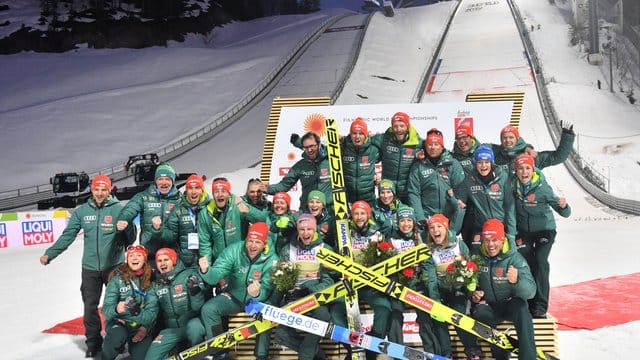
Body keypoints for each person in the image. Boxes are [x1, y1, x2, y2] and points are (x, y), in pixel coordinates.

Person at [39, 175, 137, 358]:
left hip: (115, 267)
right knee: (90, 306)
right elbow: (68, 235)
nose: (100, 193)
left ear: (109, 191)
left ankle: (120, 340)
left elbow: (130, 239)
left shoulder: (119, 209)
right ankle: (93, 343)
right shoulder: (82, 211)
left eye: (104, 190)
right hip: (90, 268)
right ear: (92, 190)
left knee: (120, 304)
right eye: (96, 189)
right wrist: (50, 254)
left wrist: (128, 226)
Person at [198, 222, 276, 360]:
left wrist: (257, 294)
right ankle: (219, 351)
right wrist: (206, 271)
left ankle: (261, 356)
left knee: (266, 315)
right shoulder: (234, 250)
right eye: (250, 241)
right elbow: (217, 273)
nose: (252, 246)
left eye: (257, 242)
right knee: (209, 309)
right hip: (234, 298)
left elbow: (268, 288)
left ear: (264, 244)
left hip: (257, 303)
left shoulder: (272, 259)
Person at [512, 154, 571, 318]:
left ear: (533, 169)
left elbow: (565, 212)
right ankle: (528, 300)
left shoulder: (543, 188)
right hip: (524, 231)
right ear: (516, 171)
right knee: (524, 260)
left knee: (540, 261)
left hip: (545, 230)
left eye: (527, 168)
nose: (524, 172)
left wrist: (564, 206)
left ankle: (540, 305)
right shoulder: (512, 186)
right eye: (520, 168)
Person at [470, 219, 537, 360]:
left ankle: (528, 357)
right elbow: (471, 284)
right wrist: (474, 294)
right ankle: (500, 355)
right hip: (490, 305)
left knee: (522, 307)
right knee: (479, 312)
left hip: (510, 304)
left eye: (495, 240)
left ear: (502, 239)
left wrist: (517, 281)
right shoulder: (477, 257)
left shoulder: (515, 258)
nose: (490, 245)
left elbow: (531, 292)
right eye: (487, 240)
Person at [273, 214, 336, 360]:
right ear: (298, 230)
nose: (306, 233)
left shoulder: (325, 249)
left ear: (315, 230)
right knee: (281, 334)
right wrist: (272, 302)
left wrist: (312, 287)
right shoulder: (288, 249)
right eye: (302, 229)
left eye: (309, 229)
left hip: (315, 296)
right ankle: (318, 354)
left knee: (323, 316)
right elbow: (280, 280)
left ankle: (306, 355)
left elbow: (329, 281)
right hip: (293, 296)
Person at [422, 214, 480, 360]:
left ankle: (472, 350)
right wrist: (435, 300)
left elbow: (472, 266)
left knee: (459, 314)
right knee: (438, 315)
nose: (435, 230)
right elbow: (430, 277)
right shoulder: (428, 249)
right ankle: (446, 353)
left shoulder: (458, 244)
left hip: (458, 288)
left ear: (446, 228)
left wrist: (471, 286)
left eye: (439, 226)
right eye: (432, 228)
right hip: (440, 289)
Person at [144, 248, 206, 359]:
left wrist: (195, 291)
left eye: (166, 259)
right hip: (171, 330)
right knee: (151, 357)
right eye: (159, 261)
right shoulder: (155, 285)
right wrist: (137, 313)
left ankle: (200, 356)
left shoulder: (189, 275)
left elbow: (198, 308)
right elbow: (150, 313)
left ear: (173, 261)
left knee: (195, 328)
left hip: (191, 323)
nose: (162, 263)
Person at [455, 145, 515, 254]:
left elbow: (510, 207)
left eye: (486, 162)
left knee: (505, 253)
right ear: (475, 163)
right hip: (481, 226)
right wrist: (455, 198)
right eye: (479, 162)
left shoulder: (503, 177)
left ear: (492, 163)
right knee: (475, 251)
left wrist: (511, 233)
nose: (483, 166)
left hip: (501, 225)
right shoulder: (469, 180)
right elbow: (459, 200)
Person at [349, 201, 391, 360]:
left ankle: (370, 346)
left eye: (363, 213)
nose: (359, 217)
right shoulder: (345, 233)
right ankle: (352, 349)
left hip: (369, 283)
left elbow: (388, 228)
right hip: (350, 283)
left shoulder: (376, 233)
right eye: (356, 213)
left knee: (384, 307)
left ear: (368, 215)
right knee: (338, 311)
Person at [117, 163, 182, 263]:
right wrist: (123, 219)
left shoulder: (179, 199)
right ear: (156, 181)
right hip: (150, 253)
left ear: (172, 181)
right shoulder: (144, 197)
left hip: (172, 254)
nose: (164, 182)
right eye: (160, 179)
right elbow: (130, 209)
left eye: (167, 179)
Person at [102, 245, 158, 360]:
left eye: (139, 255)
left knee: (143, 356)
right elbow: (106, 311)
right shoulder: (117, 280)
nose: (134, 258)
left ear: (145, 259)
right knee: (117, 334)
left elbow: (152, 313)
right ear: (127, 259)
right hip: (120, 322)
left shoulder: (151, 281)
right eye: (131, 256)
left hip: (139, 325)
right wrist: (116, 309)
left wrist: (145, 328)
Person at [408, 128, 465, 234]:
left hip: (449, 219)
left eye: (436, 144)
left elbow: (461, 191)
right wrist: (420, 218)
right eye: (430, 144)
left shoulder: (453, 164)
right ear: (425, 146)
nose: (433, 147)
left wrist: (455, 220)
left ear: (442, 146)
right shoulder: (418, 166)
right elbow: (413, 193)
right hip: (428, 220)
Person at [197, 177, 267, 264]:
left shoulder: (238, 205)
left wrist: (249, 211)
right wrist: (207, 265)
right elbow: (204, 243)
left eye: (223, 191)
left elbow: (263, 220)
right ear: (213, 194)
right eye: (216, 191)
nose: (220, 194)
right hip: (220, 262)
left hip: (240, 260)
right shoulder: (206, 214)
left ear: (229, 193)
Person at [384, 205, 423, 346]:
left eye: (409, 220)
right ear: (397, 223)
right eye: (402, 221)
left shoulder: (421, 238)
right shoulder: (392, 240)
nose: (406, 224)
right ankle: (397, 350)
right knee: (395, 312)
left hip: (418, 282)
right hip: (399, 283)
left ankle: (434, 352)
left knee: (425, 315)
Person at [264, 132, 332, 211]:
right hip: (308, 210)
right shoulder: (300, 166)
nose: (309, 150)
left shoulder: (331, 159)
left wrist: (343, 140)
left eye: (312, 146)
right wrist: (268, 189)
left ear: (319, 144)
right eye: (306, 147)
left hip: (330, 209)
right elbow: (284, 185)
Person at [153, 174, 209, 268]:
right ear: (186, 191)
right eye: (190, 188)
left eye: (197, 188)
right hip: (186, 262)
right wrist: (158, 229)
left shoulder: (210, 207)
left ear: (202, 190)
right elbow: (170, 237)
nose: (194, 192)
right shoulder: (178, 209)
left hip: (207, 260)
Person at [369, 111, 423, 204]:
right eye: (395, 126)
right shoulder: (384, 139)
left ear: (407, 126)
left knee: (406, 217)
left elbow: (436, 150)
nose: (398, 129)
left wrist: (419, 158)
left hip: (408, 191)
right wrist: (344, 139)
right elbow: (363, 140)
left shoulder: (418, 142)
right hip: (388, 192)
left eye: (402, 126)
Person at [492, 123, 575, 176]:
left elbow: (557, 157)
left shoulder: (531, 156)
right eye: (504, 138)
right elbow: (481, 147)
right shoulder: (497, 154)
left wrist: (567, 136)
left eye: (511, 137)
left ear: (517, 139)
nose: (508, 141)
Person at [341, 117, 381, 205]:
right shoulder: (343, 147)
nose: (357, 137)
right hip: (347, 199)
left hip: (368, 199)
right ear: (350, 134)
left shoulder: (373, 149)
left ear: (366, 135)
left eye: (361, 133)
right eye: (354, 133)